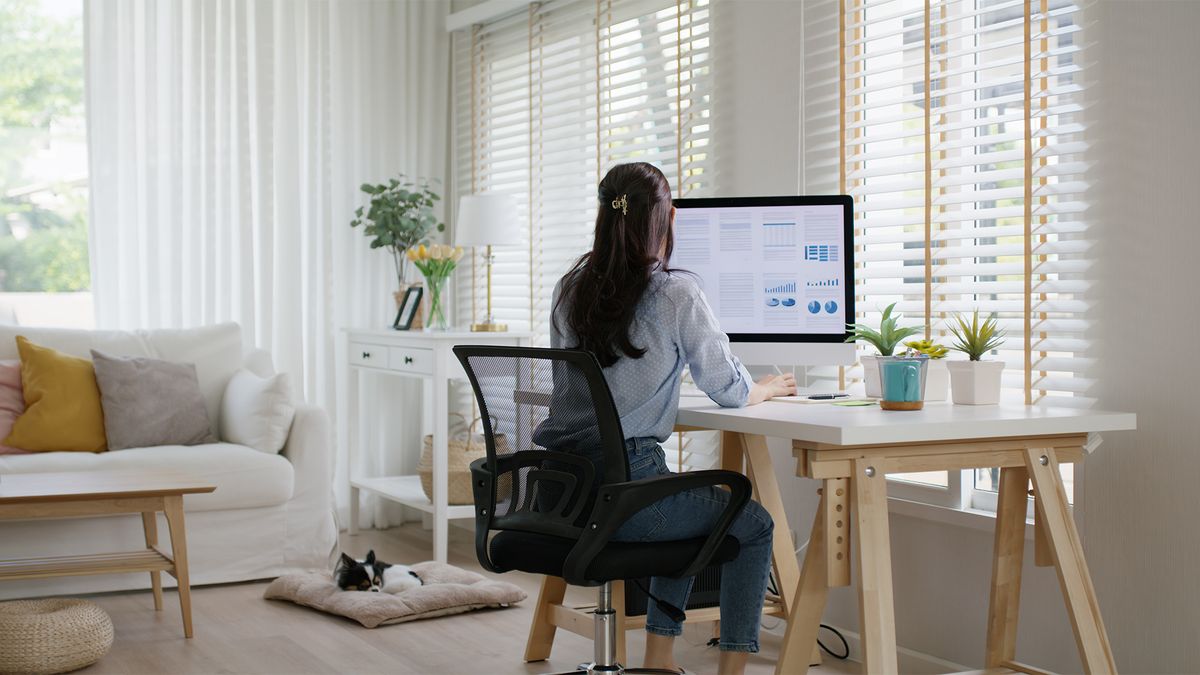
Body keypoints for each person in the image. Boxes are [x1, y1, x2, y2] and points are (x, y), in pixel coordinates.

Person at [549, 162, 796, 675]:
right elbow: (727, 388)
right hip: (628, 493)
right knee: (751, 522)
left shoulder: (569, 291)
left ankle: (660, 662)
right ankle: (730, 671)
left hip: (564, 492)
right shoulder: (674, 292)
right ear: (668, 218)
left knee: (680, 498)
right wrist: (764, 388)